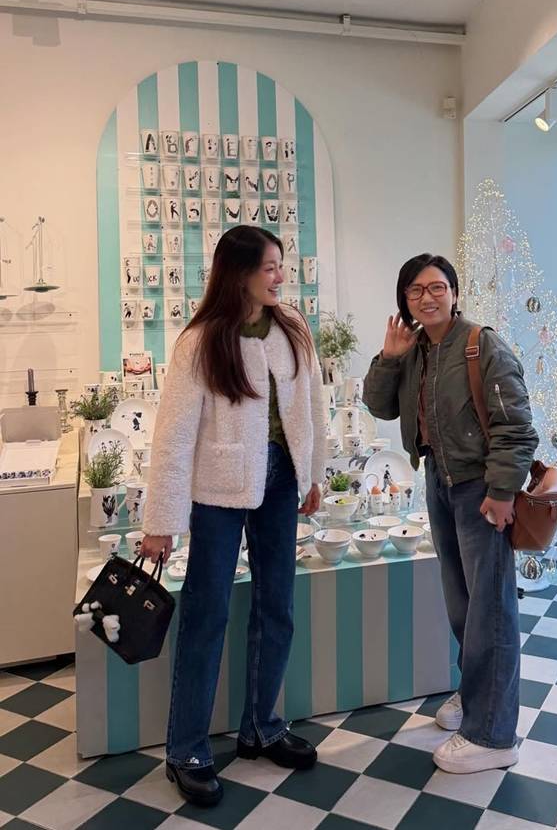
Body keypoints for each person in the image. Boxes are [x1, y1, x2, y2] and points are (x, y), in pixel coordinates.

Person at [141, 225, 326, 807]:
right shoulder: (200, 341)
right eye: (269, 267)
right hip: (216, 489)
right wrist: (161, 521)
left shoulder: (293, 328)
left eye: (280, 265)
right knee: (207, 614)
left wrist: (313, 473)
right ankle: (186, 749)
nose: (280, 276)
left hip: (281, 481)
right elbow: (173, 437)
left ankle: (262, 727)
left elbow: (313, 404)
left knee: (278, 607)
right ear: (239, 273)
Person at [363, 253, 538, 774]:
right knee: (462, 604)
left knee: (490, 608)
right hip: (439, 481)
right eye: (415, 291)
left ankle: (493, 734)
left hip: (481, 490)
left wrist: (502, 491)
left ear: (454, 293)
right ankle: (476, 693)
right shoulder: (415, 350)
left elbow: (517, 427)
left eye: (437, 287)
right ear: (405, 300)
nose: (427, 298)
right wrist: (389, 356)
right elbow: (379, 406)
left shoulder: (482, 345)